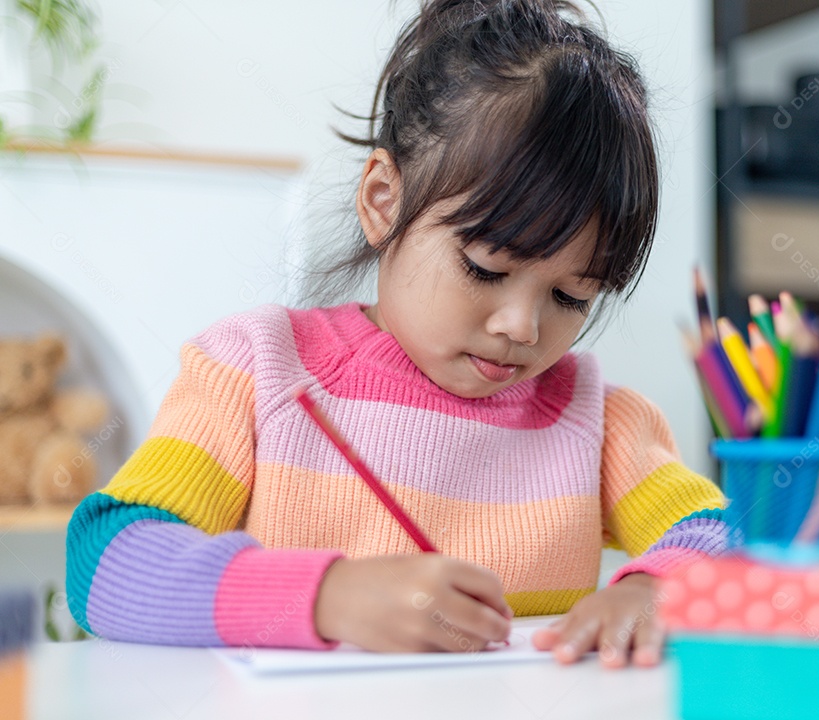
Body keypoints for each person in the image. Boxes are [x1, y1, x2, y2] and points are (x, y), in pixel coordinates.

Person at [65, 0, 729, 669]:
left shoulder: (599, 422)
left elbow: (721, 538)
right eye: (485, 267)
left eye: (570, 295)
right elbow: (105, 563)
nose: (521, 327)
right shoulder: (253, 371)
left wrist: (655, 591)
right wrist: (329, 597)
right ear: (384, 199)